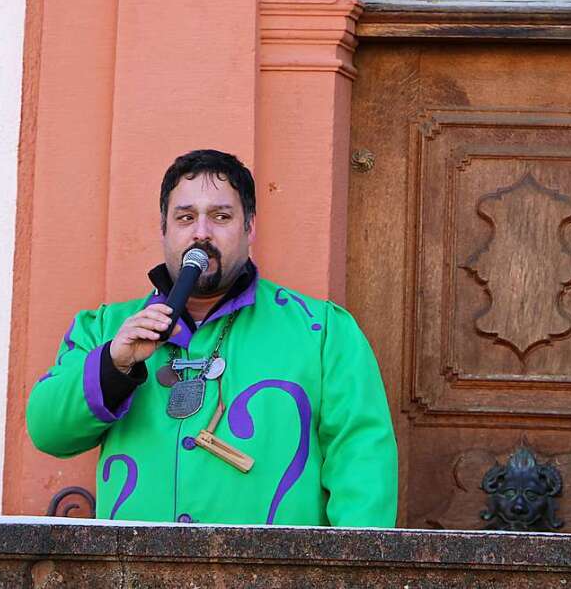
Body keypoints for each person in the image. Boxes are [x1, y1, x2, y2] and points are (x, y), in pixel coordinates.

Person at [27, 149, 398, 526]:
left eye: (221, 216)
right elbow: (47, 432)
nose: (201, 232)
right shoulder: (105, 327)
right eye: (185, 218)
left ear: (250, 228)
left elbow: (363, 465)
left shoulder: (324, 331)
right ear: (163, 229)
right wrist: (114, 362)